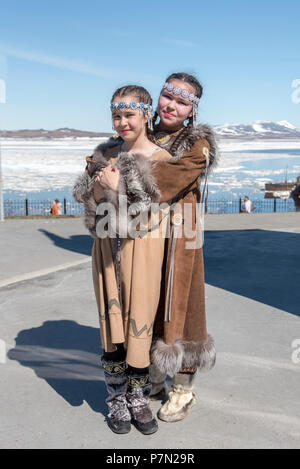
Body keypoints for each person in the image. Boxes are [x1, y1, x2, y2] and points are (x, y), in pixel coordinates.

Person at [103, 73, 218, 423]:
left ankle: (183, 387)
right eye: (168, 96)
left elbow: (164, 182)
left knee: (181, 304)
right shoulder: (147, 135)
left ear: (192, 111)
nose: (171, 105)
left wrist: (121, 176)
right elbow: (110, 156)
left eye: (182, 102)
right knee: (147, 301)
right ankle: (150, 375)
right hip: (148, 232)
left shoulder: (196, 146)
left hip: (183, 236)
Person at [73, 85, 171, 435]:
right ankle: (115, 398)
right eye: (116, 115)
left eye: (129, 114)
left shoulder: (161, 159)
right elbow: (86, 199)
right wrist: (99, 191)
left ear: (146, 113)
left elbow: (151, 217)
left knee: (139, 323)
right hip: (106, 251)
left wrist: (115, 191)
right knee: (112, 331)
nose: (122, 122)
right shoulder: (104, 153)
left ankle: (138, 397)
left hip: (142, 252)